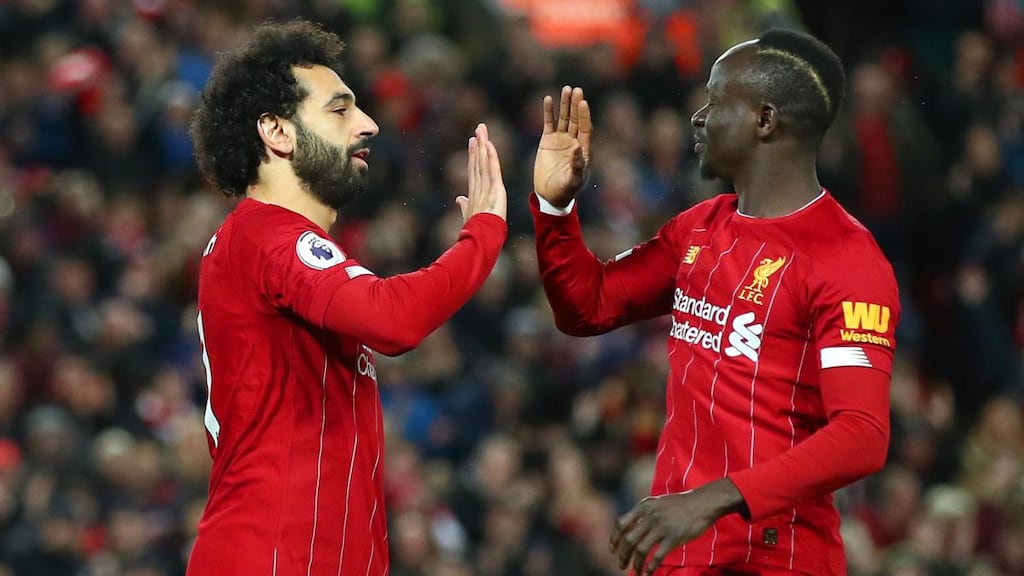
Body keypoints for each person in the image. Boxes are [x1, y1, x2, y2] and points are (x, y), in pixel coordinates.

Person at [531, 29, 898, 575]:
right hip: (680, 553)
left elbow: (861, 436)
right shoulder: (699, 229)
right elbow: (588, 306)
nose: (698, 117)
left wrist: (711, 498)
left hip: (774, 558)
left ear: (765, 121)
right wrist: (556, 209)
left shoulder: (847, 260)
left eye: (716, 99)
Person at [185, 20, 508, 576]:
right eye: (339, 109)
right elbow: (393, 320)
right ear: (276, 132)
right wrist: (483, 234)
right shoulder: (267, 236)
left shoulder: (266, 244)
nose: (369, 124)